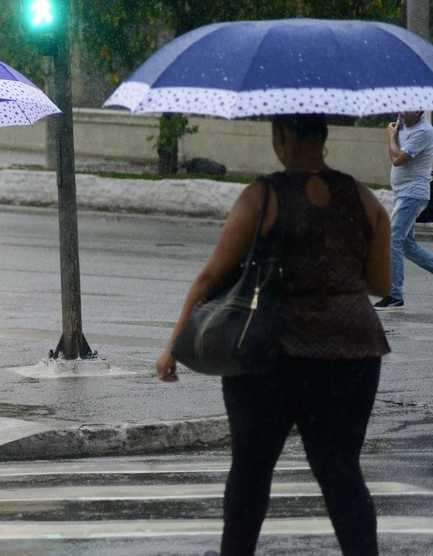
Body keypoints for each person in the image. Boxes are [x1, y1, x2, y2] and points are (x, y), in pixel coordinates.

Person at [156, 115, 391, 556]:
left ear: (280, 137)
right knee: (341, 472)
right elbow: (380, 283)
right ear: (324, 135)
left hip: (270, 356)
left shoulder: (263, 197)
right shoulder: (364, 199)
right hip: (353, 352)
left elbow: (210, 277)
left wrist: (173, 347)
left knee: (251, 470)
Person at [374, 110, 433, 309]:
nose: (402, 109)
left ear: (419, 112)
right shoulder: (401, 121)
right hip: (402, 192)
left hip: (413, 194)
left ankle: (394, 295)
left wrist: (391, 137)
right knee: (407, 246)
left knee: (392, 239)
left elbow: (398, 159)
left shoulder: (424, 131)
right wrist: (396, 130)